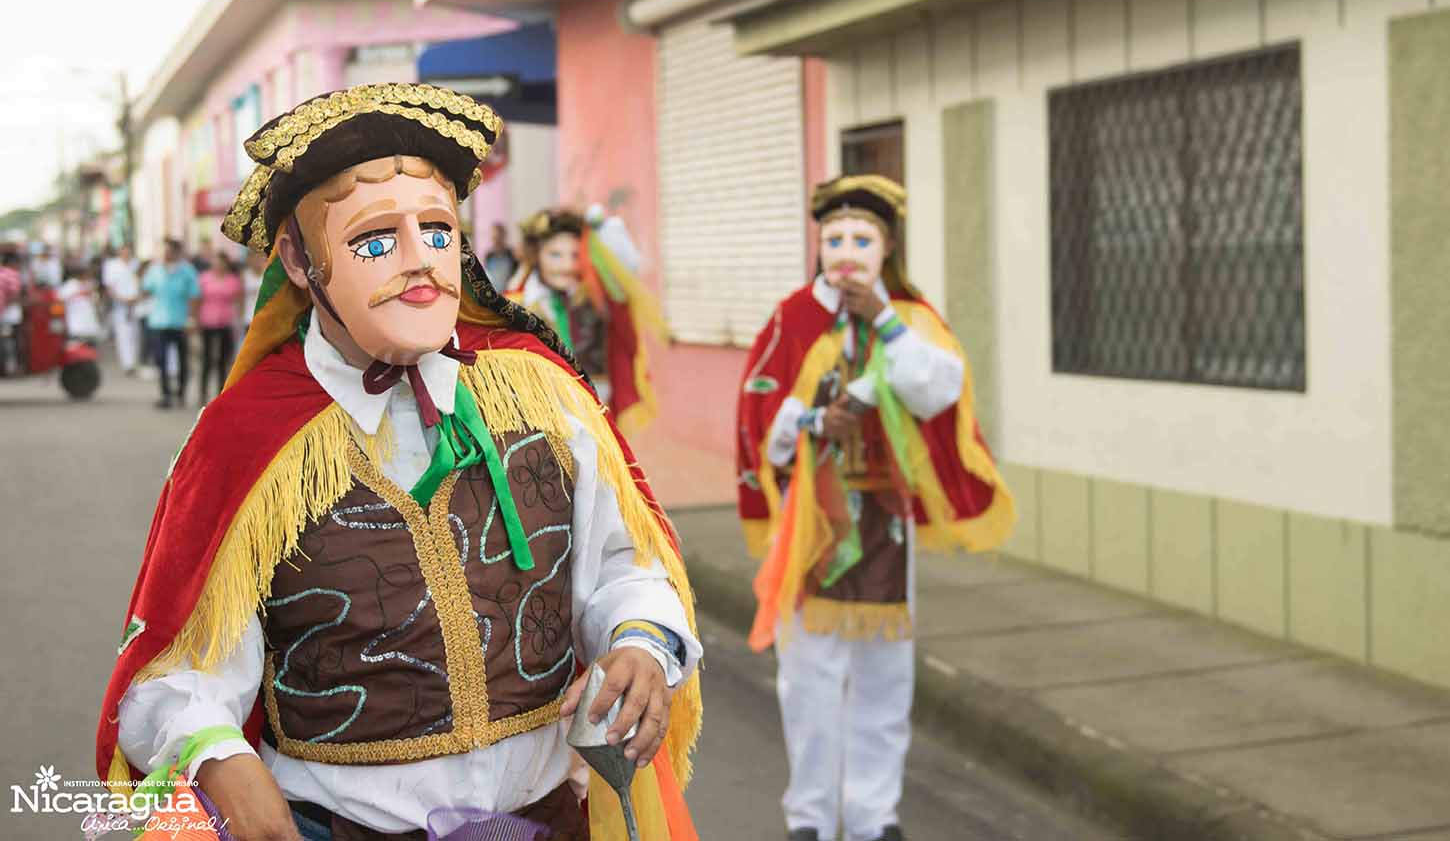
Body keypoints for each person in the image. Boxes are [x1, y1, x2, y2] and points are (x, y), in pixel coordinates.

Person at [97, 83, 703, 841]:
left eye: (439, 230)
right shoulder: (242, 439)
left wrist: (642, 640)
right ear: (297, 258)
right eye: (376, 239)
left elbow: (625, 564)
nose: (420, 264)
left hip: (547, 822)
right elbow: (175, 673)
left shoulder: (543, 391)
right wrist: (217, 756)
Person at [736, 175, 1018, 841]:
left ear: (887, 248)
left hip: (885, 521)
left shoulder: (910, 318)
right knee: (808, 680)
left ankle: (872, 817)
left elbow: (935, 390)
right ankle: (809, 818)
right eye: (833, 238)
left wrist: (883, 321)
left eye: (862, 238)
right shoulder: (793, 317)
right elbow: (760, 406)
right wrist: (811, 419)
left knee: (884, 681)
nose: (846, 251)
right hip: (815, 519)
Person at [510, 205, 664, 433]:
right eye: (555, 255)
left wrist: (604, 231)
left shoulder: (595, 296)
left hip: (594, 404)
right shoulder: (519, 303)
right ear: (536, 255)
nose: (566, 265)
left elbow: (628, 268)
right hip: (543, 412)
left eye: (574, 255)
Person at [142, 238, 200, 409]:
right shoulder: (155, 270)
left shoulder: (187, 271)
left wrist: (192, 318)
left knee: (183, 359)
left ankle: (181, 392)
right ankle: (166, 394)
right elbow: (146, 290)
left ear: (176, 252)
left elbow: (194, 296)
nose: (165, 253)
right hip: (159, 321)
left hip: (180, 321)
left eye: (168, 250)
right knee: (161, 359)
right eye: (163, 250)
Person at [196, 250, 244, 404]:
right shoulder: (204, 279)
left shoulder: (233, 280)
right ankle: (202, 393)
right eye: (216, 261)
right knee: (207, 359)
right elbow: (197, 299)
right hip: (207, 321)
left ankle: (221, 393)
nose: (218, 265)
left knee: (223, 360)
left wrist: (239, 319)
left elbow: (239, 300)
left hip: (226, 322)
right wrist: (194, 319)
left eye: (221, 262)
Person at [101, 244, 142, 374]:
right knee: (123, 335)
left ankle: (134, 362)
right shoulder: (111, 265)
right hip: (120, 305)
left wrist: (136, 298)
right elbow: (109, 287)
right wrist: (122, 299)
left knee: (135, 335)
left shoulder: (136, 264)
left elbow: (142, 281)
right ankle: (127, 364)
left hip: (136, 304)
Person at [59, 264, 103, 344]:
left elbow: (96, 301)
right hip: (76, 327)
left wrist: (91, 293)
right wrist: (79, 293)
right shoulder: (70, 285)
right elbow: (61, 298)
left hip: (90, 326)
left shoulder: (90, 285)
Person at [482, 221, 518, 290]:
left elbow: (515, 276)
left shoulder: (511, 255)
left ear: (503, 236)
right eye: (494, 238)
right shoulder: (489, 256)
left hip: (509, 293)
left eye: (498, 237)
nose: (496, 241)